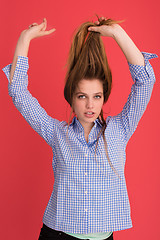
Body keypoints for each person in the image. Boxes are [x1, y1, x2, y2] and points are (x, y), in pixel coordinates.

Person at [2, 16, 157, 240]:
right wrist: (24, 38)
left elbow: (145, 81)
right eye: (82, 96)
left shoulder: (120, 129)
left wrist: (117, 34)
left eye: (97, 96)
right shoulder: (56, 133)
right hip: (58, 233)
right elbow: (18, 93)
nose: (90, 105)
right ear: (72, 100)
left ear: (104, 98)